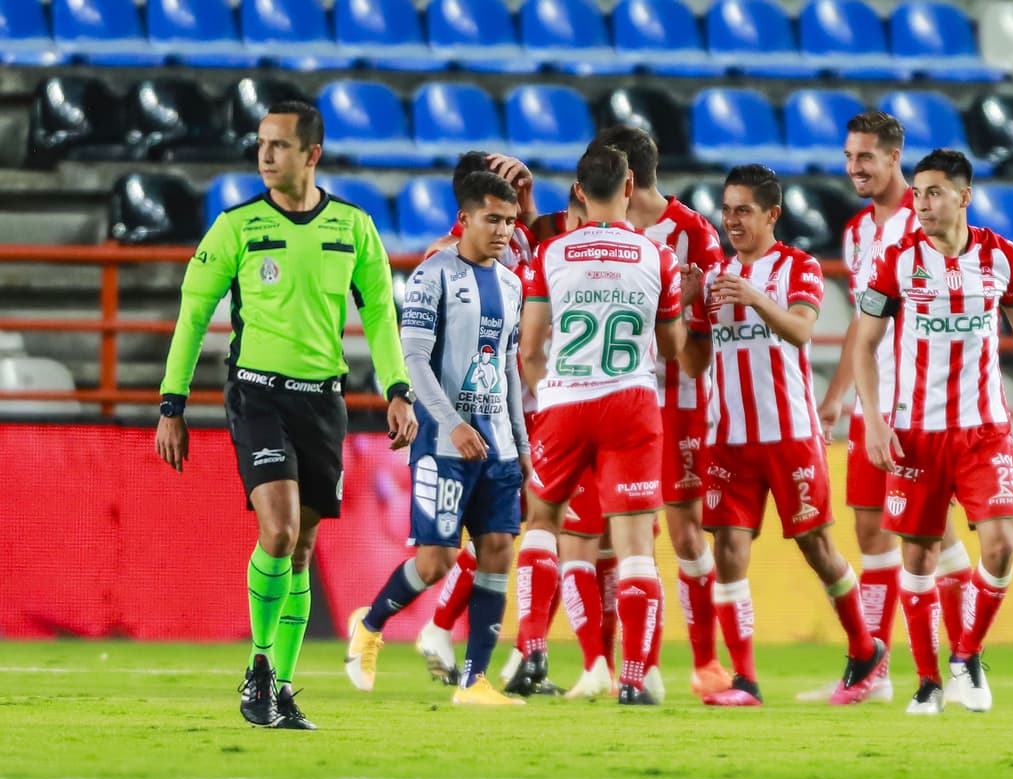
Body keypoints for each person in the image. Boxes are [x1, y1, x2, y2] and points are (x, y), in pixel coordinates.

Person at [155, 100, 418, 729]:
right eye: (261, 144)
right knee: (277, 531)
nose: (265, 155)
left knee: (301, 548)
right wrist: (172, 402)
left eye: (279, 145)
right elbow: (193, 314)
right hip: (257, 395)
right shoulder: (236, 227)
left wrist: (398, 388)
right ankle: (260, 667)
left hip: (322, 400)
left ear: (312, 154)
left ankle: (282, 685)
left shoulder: (353, 227)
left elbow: (380, 314)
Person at [853, 148, 1013, 714]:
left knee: (1000, 547)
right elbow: (864, 344)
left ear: (964, 197)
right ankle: (927, 682)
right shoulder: (897, 260)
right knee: (919, 560)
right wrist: (873, 418)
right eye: (917, 193)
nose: (922, 203)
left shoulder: (1002, 257)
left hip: (984, 431)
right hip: (916, 434)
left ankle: (966, 656)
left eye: (934, 192)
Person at [684, 165, 886, 707]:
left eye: (744, 210)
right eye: (727, 210)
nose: (732, 221)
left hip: (790, 434)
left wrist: (753, 298)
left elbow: (800, 329)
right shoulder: (713, 278)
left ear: (772, 214)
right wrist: (683, 307)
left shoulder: (799, 266)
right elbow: (693, 361)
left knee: (817, 548)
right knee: (728, 550)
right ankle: (745, 680)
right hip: (728, 438)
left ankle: (865, 650)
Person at [802, 111, 975, 704]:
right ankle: (878, 669)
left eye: (866, 157)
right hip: (873, 403)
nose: (855, 168)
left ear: (894, 157)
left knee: (927, 533)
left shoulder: (928, 219)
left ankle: (964, 660)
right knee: (874, 530)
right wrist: (837, 398)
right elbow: (864, 320)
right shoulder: (857, 232)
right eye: (849, 157)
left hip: (922, 405)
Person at [343, 171, 529, 705]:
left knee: (498, 551)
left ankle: (474, 681)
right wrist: (452, 424)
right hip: (445, 444)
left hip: (496, 445)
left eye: (510, 222)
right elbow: (415, 362)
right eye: (492, 219)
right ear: (465, 219)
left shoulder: (512, 285)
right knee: (436, 562)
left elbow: (509, 370)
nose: (503, 231)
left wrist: (521, 444)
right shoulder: (433, 276)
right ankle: (369, 625)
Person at [518, 143, 687, 706]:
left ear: (578, 192)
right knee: (636, 547)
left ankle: (533, 644)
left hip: (565, 402)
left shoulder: (551, 252)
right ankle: (634, 678)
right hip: (631, 402)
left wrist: (552, 392)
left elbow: (529, 349)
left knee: (542, 520)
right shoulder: (658, 256)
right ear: (630, 186)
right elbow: (672, 348)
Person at [591, 124, 732, 700]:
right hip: (610, 399)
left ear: (625, 176)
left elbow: (696, 357)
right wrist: (672, 302)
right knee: (615, 535)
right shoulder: (597, 231)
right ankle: (627, 665)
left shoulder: (695, 235)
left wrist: (672, 310)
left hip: (678, 404)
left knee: (685, 533)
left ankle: (705, 663)